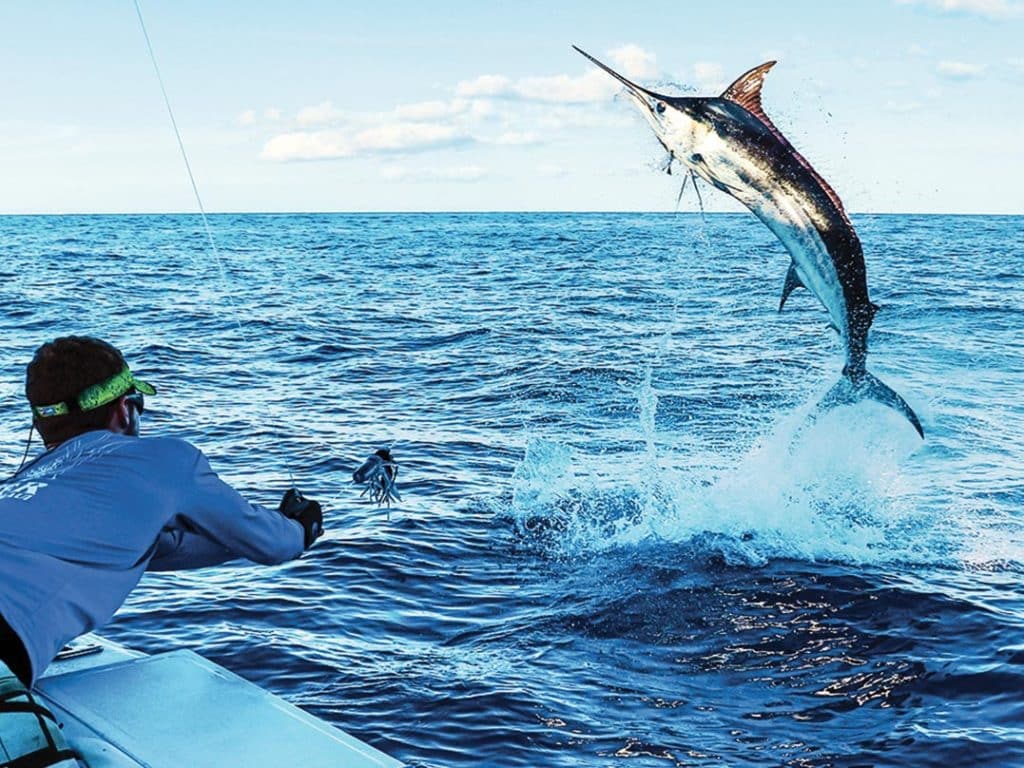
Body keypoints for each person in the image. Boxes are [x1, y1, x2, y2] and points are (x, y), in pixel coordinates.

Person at [0, 336, 324, 767]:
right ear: (123, 409)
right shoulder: (165, 458)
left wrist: (251, 538)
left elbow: (157, 549)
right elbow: (273, 544)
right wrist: (300, 528)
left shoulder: (17, 489)